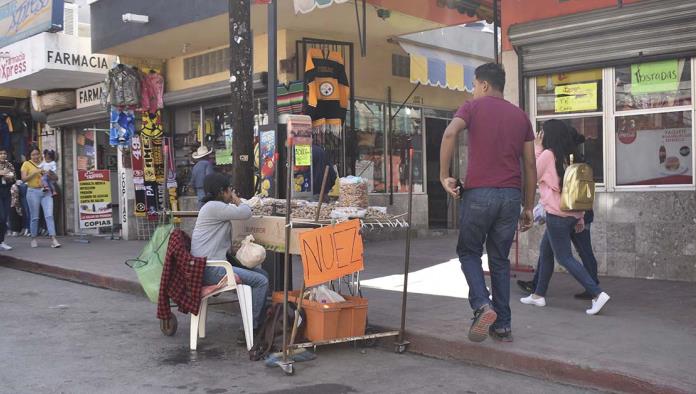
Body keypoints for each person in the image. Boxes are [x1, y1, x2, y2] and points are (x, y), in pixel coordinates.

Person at [440, 63, 537, 343]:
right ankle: (503, 325)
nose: (473, 90)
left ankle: (482, 305)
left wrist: (444, 176)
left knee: (469, 252)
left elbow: (449, 133)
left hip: (479, 194)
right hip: (510, 197)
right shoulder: (520, 117)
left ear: (482, 85)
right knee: (499, 260)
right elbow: (530, 164)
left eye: (473, 85)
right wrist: (528, 205)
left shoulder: (472, 107)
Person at [519, 120, 609, 315]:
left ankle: (597, 293)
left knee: (564, 257)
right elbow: (577, 190)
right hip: (572, 213)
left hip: (557, 215)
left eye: (542, 133)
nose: (539, 135)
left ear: (548, 135)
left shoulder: (548, 155)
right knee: (546, 252)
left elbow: (532, 174)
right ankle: (538, 295)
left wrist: (536, 148)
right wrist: (581, 217)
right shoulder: (572, 156)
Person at [190, 173, 269, 333]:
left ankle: (257, 319)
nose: (231, 193)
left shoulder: (211, 207)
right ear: (221, 191)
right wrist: (237, 199)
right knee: (261, 281)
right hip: (212, 269)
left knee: (263, 274)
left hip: (209, 265)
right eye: (229, 190)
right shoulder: (214, 207)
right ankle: (250, 328)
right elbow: (245, 213)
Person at [21, 147, 60, 248]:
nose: (36, 156)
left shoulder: (46, 163)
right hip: (33, 191)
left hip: (46, 192)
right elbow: (24, 179)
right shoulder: (26, 164)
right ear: (30, 155)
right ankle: (33, 238)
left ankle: (54, 239)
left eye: (37, 154)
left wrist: (50, 174)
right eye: (33, 155)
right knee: (35, 217)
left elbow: (56, 178)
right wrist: (35, 172)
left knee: (49, 216)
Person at [0, 148, 16, 250]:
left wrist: (8, 177)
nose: (3, 155)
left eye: (4, 153)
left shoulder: (9, 165)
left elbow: (14, 177)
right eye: (0, 153)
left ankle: (2, 241)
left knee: (5, 218)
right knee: (1, 217)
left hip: (6, 193)